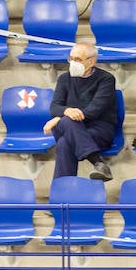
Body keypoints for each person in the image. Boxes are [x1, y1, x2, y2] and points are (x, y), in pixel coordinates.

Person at [44, 42, 118, 180]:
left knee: (64, 143)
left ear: (91, 61)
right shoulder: (64, 78)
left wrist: (60, 118)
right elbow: (54, 107)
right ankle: (98, 163)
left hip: (98, 130)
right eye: (70, 59)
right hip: (71, 128)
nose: (72, 63)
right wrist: (65, 112)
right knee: (67, 125)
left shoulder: (106, 79)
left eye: (77, 59)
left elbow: (93, 111)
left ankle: (62, 193)